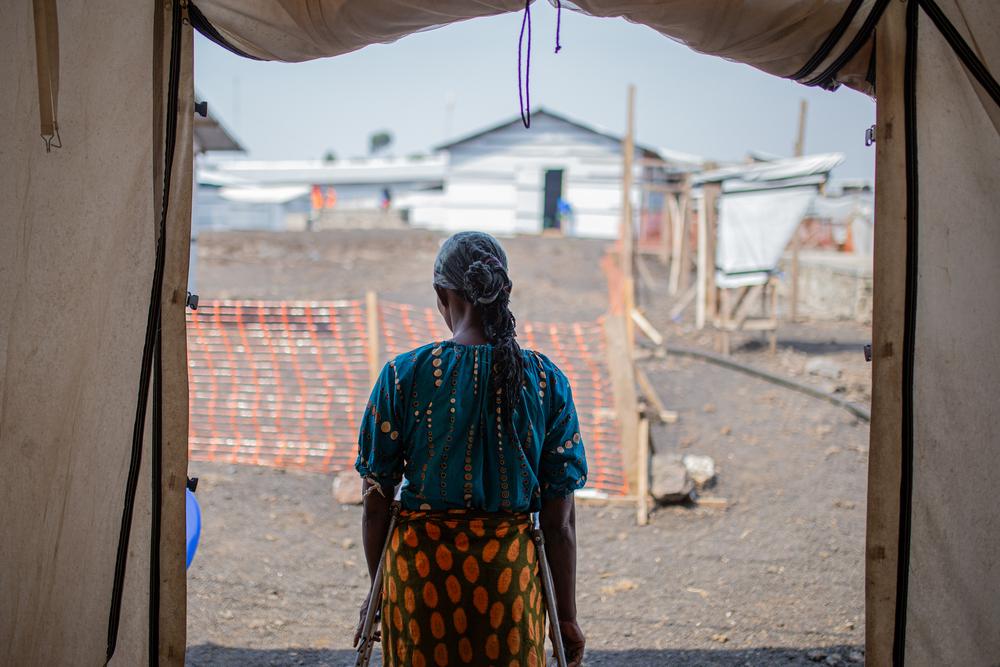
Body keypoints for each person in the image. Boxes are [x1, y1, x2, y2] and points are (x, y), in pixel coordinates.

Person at [353, 231, 587, 666]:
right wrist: (567, 618)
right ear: (506, 292)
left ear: (442, 294)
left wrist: (378, 591)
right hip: (509, 587)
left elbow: (375, 504)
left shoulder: (404, 376)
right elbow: (559, 523)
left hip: (421, 583)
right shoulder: (546, 382)